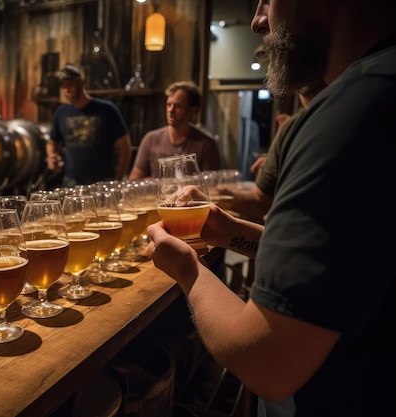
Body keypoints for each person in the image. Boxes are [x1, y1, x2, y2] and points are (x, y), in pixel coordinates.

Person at [145, 1, 396, 416]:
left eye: (267, 0)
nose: (259, 20)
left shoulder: (351, 110)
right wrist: (228, 231)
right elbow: (346, 265)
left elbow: (266, 361)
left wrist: (186, 267)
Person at [220, 78, 327, 222]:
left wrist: (217, 195)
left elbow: (259, 203)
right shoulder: (291, 128)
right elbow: (260, 201)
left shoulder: (293, 127)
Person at [46, 64, 132, 187]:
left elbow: (125, 147)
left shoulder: (107, 110)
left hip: (103, 183)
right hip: (71, 183)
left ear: (82, 83)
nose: (66, 90)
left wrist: (118, 180)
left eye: (70, 85)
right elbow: (52, 142)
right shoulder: (62, 112)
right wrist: (51, 156)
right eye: (63, 86)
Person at [128, 81, 222, 181]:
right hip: (157, 196)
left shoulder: (206, 144)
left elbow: (212, 186)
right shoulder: (151, 139)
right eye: (169, 105)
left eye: (178, 106)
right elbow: (134, 181)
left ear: (192, 111)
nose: (171, 110)